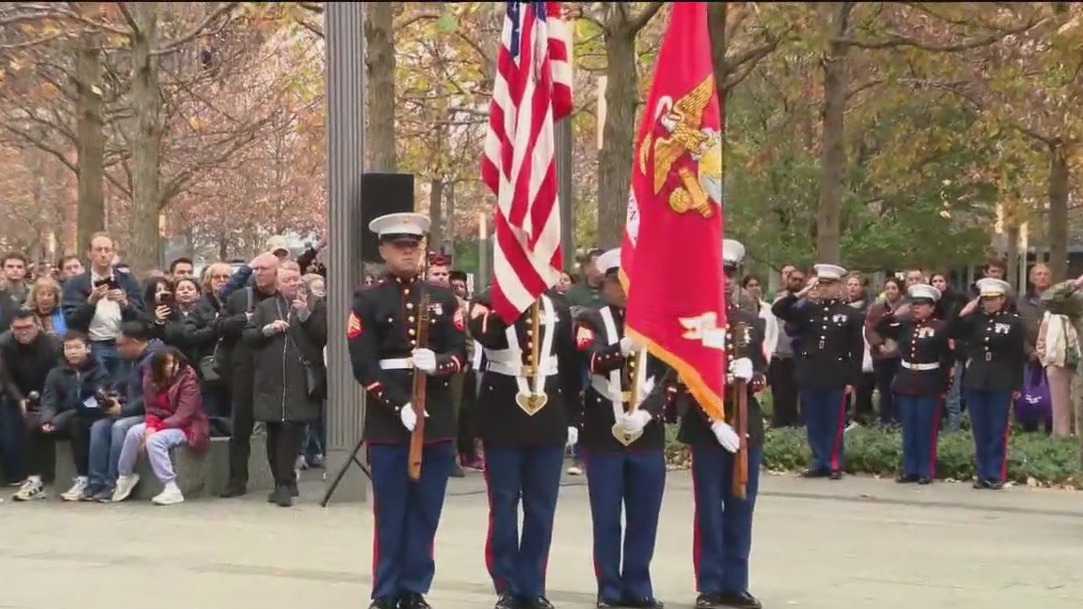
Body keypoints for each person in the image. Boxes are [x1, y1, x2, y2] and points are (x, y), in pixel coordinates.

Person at [347, 212, 467, 609]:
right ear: (383, 251)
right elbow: (363, 364)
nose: (408, 252)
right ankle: (386, 590)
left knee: (426, 508)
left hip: (434, 414)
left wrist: (441, 363)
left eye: (414, 246)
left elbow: (459, 352)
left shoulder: (444, 298)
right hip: (389, 417)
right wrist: (398, 406)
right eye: (400, 246)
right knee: (391, 510)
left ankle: (415, 587)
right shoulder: (368, 300)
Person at [662, 239, 767, 609]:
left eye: (729, 273)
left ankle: (735, 583)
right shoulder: (692, 321)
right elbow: (685, 376)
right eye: (717, 273)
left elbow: (762, 373)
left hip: (744, 425)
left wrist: (751, 375)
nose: (723, 280)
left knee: (741, 506)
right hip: (707, 428)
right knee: (708, 508)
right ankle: (709, 583)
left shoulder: (749, 320)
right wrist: (714, 420)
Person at [469, 282, 581, 609]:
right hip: (502, 414)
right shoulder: (487, 300)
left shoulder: (557, 306)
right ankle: (506, 582)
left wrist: (573, 417)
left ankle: (533, 584)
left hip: (549, 415)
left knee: (541, 506)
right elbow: (483, 334)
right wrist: (510, 300)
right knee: (503, 504)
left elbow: (570, 365)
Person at [574, 248, 665, 609]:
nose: (624, 289)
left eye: (630, 281)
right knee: (607, 517)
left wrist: (648, 412)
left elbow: (669, 375)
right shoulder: (590, 319)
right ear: (605, 283)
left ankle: (638, 585)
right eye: (616, 281)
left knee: (644, 517)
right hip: (603, 431)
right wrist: (625, 346)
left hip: (647, 432)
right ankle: (609, 589)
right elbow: (592, 358)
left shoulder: (657, 320)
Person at [243, 264, 327, 507]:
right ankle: (284, 480)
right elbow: (249, 337)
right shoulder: (265, 307)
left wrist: (305, 317)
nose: (294, 284)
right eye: (288, 280)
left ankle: (283, 484)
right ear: (278, 285)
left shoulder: (315, 306)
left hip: (300, 379)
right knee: (274, 431)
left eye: (297, 280)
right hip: (270, 380)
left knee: (292, 428)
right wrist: (268, 330)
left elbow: (323, 336)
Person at [772, 263, 863, 480]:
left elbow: (856, 348)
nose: (824, 288)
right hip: (810, 372)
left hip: (835, 373)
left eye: (829, 284)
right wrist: (802, 292)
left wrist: (853, 378)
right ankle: (818, 460)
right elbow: (780, 310)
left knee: (833, 421)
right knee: (813, 420)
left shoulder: (848, 313)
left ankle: (833, 463)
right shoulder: (807, 310)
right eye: (821, 284)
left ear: (838, 286)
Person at [949, 278, 1025, 490]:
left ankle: (995, 473)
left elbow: (1018, 356)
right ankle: (982, 473)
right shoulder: (974, 321)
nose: (989, 303)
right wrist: (963, 312)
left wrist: (1017, 385)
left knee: (997, 428)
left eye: (993, 299)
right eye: (986, 299)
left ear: (1002, 299)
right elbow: (949, 332)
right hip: (976, 377)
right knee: (980, 428)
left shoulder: (1013, 322)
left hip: (1001, 378)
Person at [874, 284, 954, 484]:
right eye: (913, 304)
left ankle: (926, 470)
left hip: (929, 380)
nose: (916, 308)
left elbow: (948, 358)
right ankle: (910, 469)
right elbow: (880, 327)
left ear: (931, 307)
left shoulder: (940, 328)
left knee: (926, 427)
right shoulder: (904, 325)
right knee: (909, 427)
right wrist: (894, 313)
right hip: (906, 379)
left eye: (921, 304)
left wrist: (944, 386)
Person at [17, 331, 111, 501]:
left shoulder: (99, 371)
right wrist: (46, 419)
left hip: (88, 416)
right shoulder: (56, 373)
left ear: (88, 349)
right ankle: (35, 480)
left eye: (77, 347)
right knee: (32, 424)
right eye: (68, 348)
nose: (72, 352)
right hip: (60, 418)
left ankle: (84, 479)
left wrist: (59, 419)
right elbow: (49, 400)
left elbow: (91, 402)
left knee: (78, 424)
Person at [112, 347, 210, 505]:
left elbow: (184, 414)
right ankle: (125, 476)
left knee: (154, 441)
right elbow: (151, 408)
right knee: (133, 433)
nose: (173, 366)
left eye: (174, 361)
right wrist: (151, 425)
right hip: (161, 421)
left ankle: (171, 487)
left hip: (188, 426)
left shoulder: (188, 378)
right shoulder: (150, 377)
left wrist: (156, 428)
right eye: (167, 363)